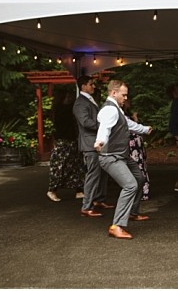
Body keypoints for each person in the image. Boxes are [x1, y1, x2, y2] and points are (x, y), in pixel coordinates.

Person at [94, 80, 153, 239]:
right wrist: (100, 141)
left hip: (122, 155)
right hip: (111, 157)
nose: (126, 98)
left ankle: (132, 212)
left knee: (139, 178)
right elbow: (104, 128)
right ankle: (116, 226)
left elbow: (128, 124)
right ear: (114, 93)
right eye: (124, 95)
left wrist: (144, 129)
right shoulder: (109, 110)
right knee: (130, 185)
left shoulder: (117, 109)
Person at [73, 76, 113, 217]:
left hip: (96, 142)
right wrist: (103, 125)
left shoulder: (88, 100)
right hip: (90, 144)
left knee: (102, 173)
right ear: (83, 86)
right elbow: (85, 122)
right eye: (91, 84)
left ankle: (99, 200)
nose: (93, 86)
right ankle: (87, 206)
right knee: (93, 174)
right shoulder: (80, 103)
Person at [46, 89, 85, 202]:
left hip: (70, 140)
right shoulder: (63, 109)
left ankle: (78, 189)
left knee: (75, 165)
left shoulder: (59, 109)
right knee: (61, 165)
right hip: (64, 140)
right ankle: (53, 189)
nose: (70, 99)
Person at [123, 100, 150, 200]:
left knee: (141, 165)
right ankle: (138, 192)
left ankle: (143, 191)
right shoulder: (122, 115)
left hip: (137, 143)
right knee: (135, 166)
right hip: (131, 144)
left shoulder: (128, 114)